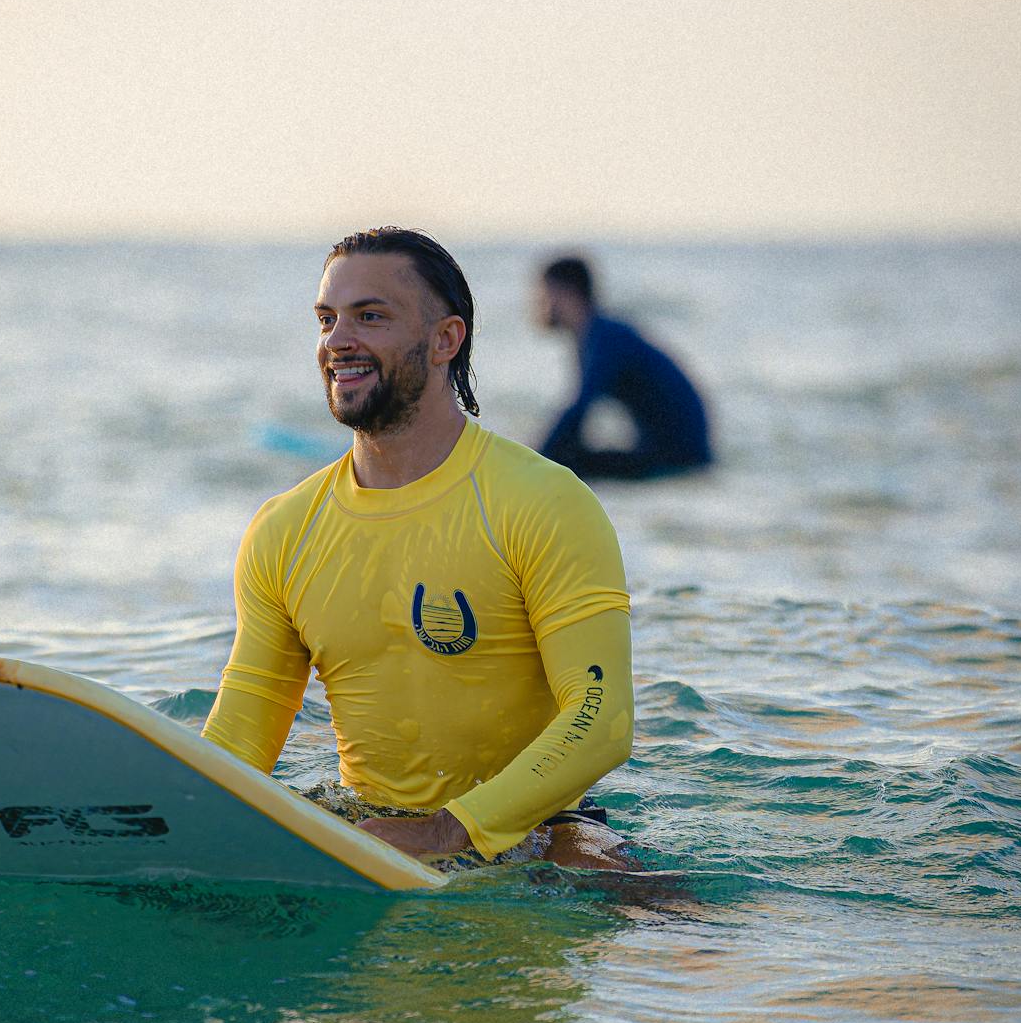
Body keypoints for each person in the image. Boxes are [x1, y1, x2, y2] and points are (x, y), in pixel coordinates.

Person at [202, 228, 634, 870]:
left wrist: (445, 832)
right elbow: (242, 735)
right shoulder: (285, 530)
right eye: (327, 319)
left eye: (370, 316)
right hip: (368, 834)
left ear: (444, 340)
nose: (337, 341)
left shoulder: (541, 501)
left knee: (650, 906)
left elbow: (600, 719)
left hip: (541, 832)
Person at [536, 255, 711, 480]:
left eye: (543, 295)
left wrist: (533, 458)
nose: (539, 305)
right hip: (675, 452)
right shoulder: (597, 333)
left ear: (566, 293)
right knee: (563, 460)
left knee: (561, 465)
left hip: (679, 458)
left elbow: (579, 409)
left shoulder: (603, 338)